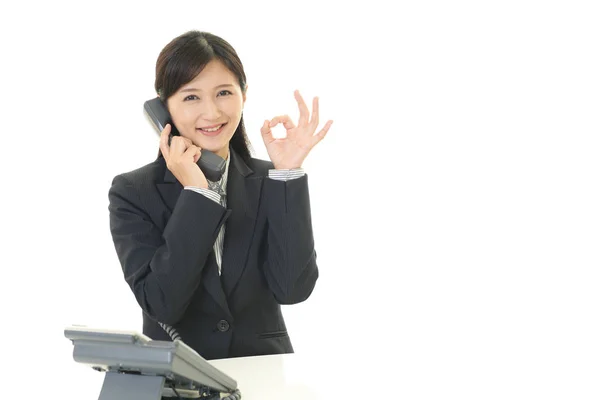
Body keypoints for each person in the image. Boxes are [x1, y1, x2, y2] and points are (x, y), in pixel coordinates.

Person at [107, 30, 333, 361]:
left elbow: (293, 289)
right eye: (190, 97)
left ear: (244, 94)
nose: (211, 113)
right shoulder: (133, 191)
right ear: (163, 108)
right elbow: (162, 303)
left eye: (224, 92)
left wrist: (286, 174)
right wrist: (198, 195)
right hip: (178, 380)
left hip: (265, 373)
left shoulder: (270, 179)